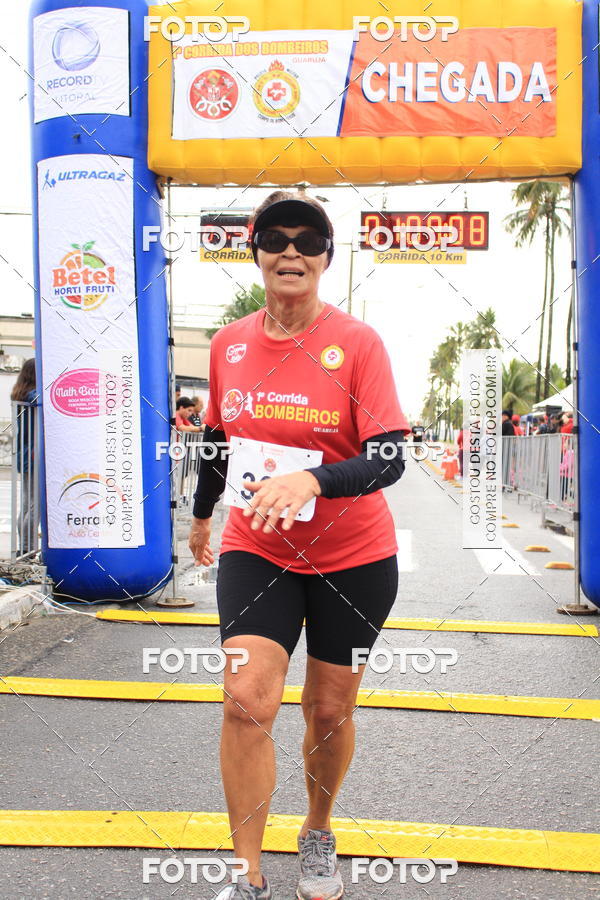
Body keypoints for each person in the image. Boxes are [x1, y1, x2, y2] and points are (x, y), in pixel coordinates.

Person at [188, 191, 411, 900]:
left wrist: (312, 479)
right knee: (245, 698)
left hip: (354, 558)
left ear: (326, 258)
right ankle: (246, 872)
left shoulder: (358, 344)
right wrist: (202, 515)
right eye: (276, 238)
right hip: (257, 548)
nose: (292, 250)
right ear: (255, 252)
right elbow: (217, 437)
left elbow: (390, 457)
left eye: (308, 240)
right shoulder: (228, 344)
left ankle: (317, 829)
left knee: (329, 709)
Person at [11, 358, 38, 556]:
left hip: (24, 452)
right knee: (36, 504)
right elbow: (44, 397)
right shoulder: (32, 395)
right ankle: (28, 547)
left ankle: (25, 548)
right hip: (32, 453)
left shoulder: (20, 392)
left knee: (28, 503)